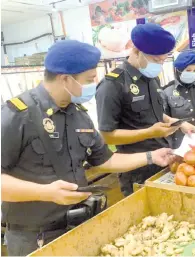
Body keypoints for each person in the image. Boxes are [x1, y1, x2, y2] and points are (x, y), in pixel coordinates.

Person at [1, 40, 175, 257]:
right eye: (90, 79)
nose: (95, 83)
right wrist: (45, 192)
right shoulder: (17, 116)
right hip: (35, 237)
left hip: (78, 225)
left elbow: (106, 161)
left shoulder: (79, 115)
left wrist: (151, 156)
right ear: (65, 79)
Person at [95, 23, 195, 197]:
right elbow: (106, 135)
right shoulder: (113, 85)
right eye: (156, 60)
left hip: (164, 159)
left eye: (163, 60)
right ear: (136, 51)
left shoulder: (151, 78)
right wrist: (149, 133)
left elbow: (153, 112)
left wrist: (178, 123)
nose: (159, 65)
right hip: (136, 169)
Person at [162, 51, 195, 148]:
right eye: (188, 70)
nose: (192, 73)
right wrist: (179, 125)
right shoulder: (167, 92)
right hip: (179, 145)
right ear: (178, 71)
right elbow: (164, 120)